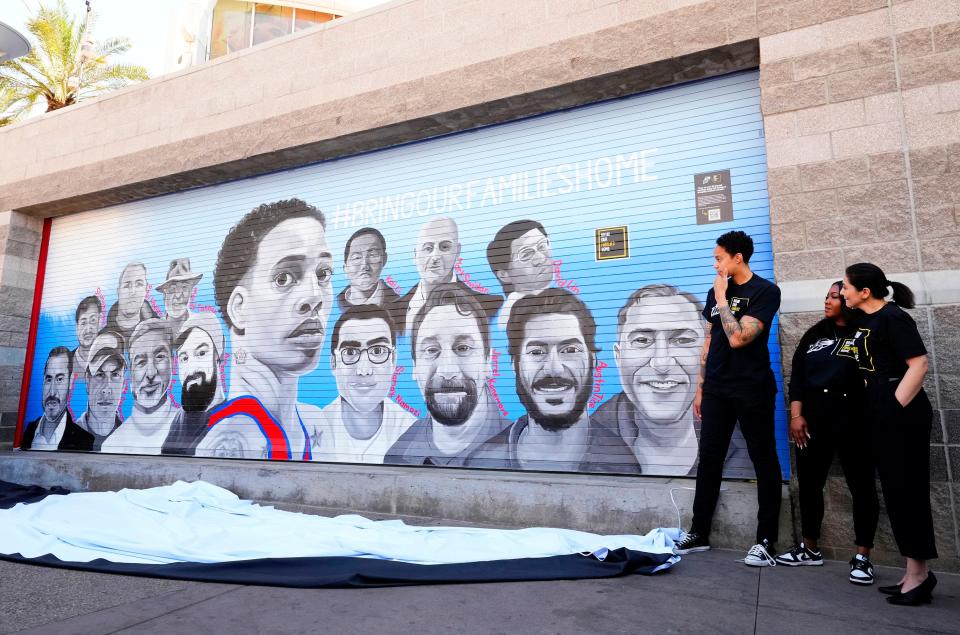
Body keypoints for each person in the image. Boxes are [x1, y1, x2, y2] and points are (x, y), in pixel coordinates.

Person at [674, 230, 783, 567]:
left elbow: (739, 339)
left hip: (751, 387)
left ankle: (765, 540)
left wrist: (722, 299)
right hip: (718, 388)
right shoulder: (714, 291)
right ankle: (699, 531)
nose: (715, 263)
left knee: (763, 458)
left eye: (720, 257)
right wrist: (700, 384)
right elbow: (711, 338)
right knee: (709, 458)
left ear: (738, 258)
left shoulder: (765, 291)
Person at [196, 198, 330, 460]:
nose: (314, 296)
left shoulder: (314, 421)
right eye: (284, 278)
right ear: (239, 308)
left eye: (323, 274)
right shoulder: (235, 438)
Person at [840, 263, 938, 605]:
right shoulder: (864, 321)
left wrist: (892, 411)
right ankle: (915, 571)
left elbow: (919, 364)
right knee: (897, 493)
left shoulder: (893, 318)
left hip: (901, 411)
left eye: (846, 286)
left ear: (864, 292)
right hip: (878, 407)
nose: (842, 291)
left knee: (907, 492)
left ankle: (919, 575)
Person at [775, 282, 880, 585]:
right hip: (813, 421)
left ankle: (863, 556)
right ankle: (809, 549)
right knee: (809, 484)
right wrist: (796, 415)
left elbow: (875, 374)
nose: (828, 301)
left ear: (849, 301)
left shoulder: (865, 333)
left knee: (861, 487)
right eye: (827, 296)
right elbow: (797, 377)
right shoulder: (815, 333)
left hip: (854, 421)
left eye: (835, 297)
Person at [467, 288, 638, 473]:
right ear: (514, 364)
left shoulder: (622, 463)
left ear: (593, 360)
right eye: (537, 352)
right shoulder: (484, 460)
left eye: (570, 350)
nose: (554, 368)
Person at [593, 284, 750, 476]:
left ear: (705, 353)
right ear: (618, 357)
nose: (661, 363)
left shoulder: (740, 438)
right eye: (642, 340)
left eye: (683, 340)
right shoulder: (586, 440)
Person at [385, 284, 508, 466]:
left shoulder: (519, 452)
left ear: (488, 361)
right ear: (414, 366)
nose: (447, 370)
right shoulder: (398, 456)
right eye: (431, 350)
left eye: (463, 348)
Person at [313, 305, 415, 463]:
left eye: (378, 351)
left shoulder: (410, 432)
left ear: (393, 360)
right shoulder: (313, 429)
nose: (364, 370)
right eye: (350, 353)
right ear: (333, 363)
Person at [394, 217, 502, 335]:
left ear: (457, 251)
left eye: (444, 247)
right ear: (415, 255)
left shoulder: (492, 307)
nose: (435, 256)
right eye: (428, 248)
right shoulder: (391, 310)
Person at [101, 319, 182, 455]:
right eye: (141, 362)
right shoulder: (113, 445)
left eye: (160, 357)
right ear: (130, 371)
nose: (150, 373)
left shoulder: (190, 434)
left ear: (173, 362)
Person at [161, 313, 227, 456]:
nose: (191, 369)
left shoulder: (231, 419)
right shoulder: (179, 419)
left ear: (218, 356)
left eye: (201, 353)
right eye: (184, 358)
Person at [20, 347, 93, 451]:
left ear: (71, 382)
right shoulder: (29, 431)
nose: (52, 392)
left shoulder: (83, 440)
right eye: (48, 379)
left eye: (59, 379)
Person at [486, 220, 554, 330]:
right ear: (504, 275)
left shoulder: (549, 303)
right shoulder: (514, 318)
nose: (541, 258)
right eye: (526, 254)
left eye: (542, 246)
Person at [75, 331, 126, 451]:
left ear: (124, 383)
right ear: (87, 381)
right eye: (99, 374)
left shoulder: (130, 439)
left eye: (115, 374)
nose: (106, 389)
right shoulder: (68, 437)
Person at [336, 227, 400, 313]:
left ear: (384, 260)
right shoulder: (331, 307)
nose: (364, 266)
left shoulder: (399, 306)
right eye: (357, 258)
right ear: (345, 268)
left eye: (372, 255)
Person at [104, 262, 159, 344]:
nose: (133, 291)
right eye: (127, 285)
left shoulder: (159, 332)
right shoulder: (102, 338)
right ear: (118, 292)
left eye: (139, 284)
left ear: (145, 290)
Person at [156, 258, 202, 337]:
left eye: (184, 287)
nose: (178, 295)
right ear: (164, 293)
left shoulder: (200, 327)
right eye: (172, 288)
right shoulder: (155, 330)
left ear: (191, 292)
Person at [71, 295, 102, 381]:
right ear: (77, 328)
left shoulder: (108, 360)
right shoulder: (66, 362)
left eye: (93, 321)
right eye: (83, 323)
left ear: (100, 323)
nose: (88, 329)